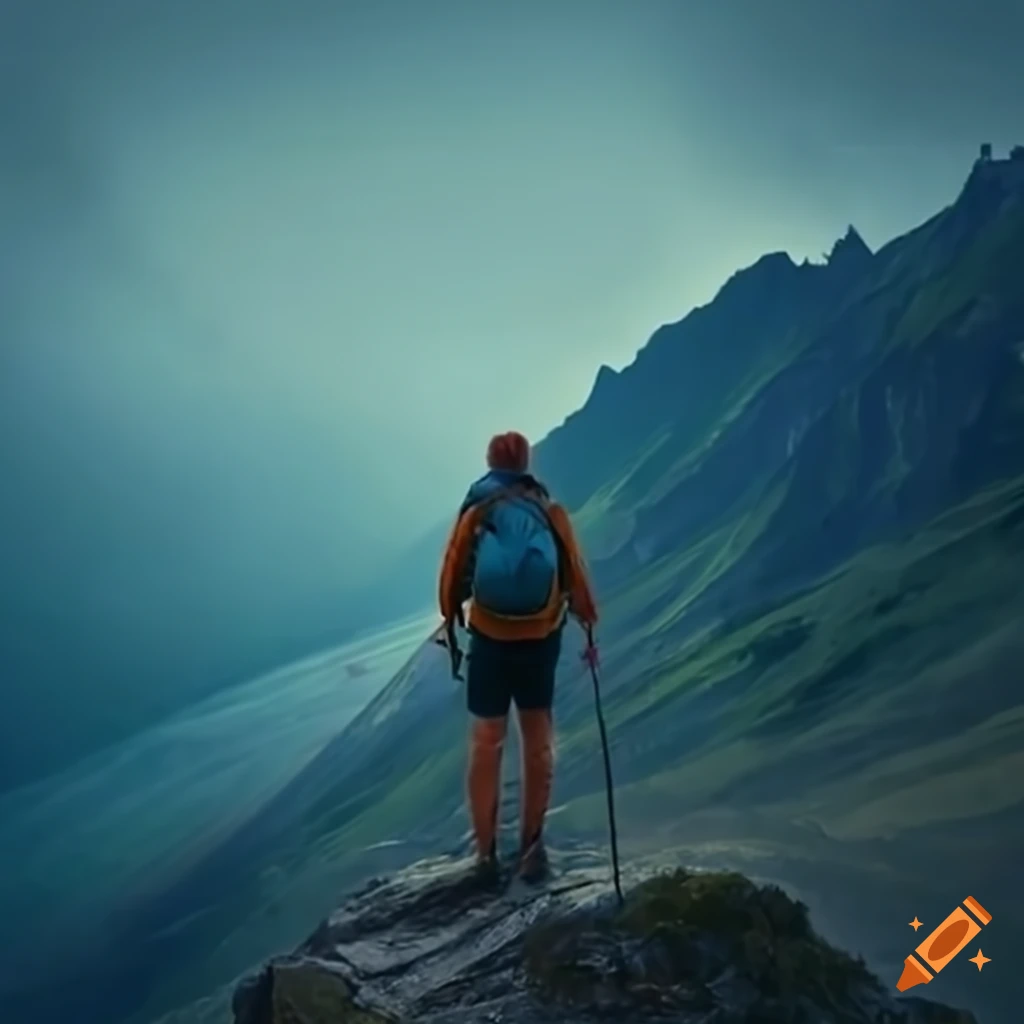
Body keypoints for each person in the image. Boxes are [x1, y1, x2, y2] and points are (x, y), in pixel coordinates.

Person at [438, 430, 598, 884]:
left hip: (489, 639)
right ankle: (531, 847)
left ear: (490, 462)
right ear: (526, 463)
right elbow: (575, 572)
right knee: (537, 740)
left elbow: (453, 572)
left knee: (487, 741)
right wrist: (587, 618)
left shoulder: (476, 511)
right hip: (539, 638)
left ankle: (485, 854)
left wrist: (452, 617)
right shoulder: (548, 512)